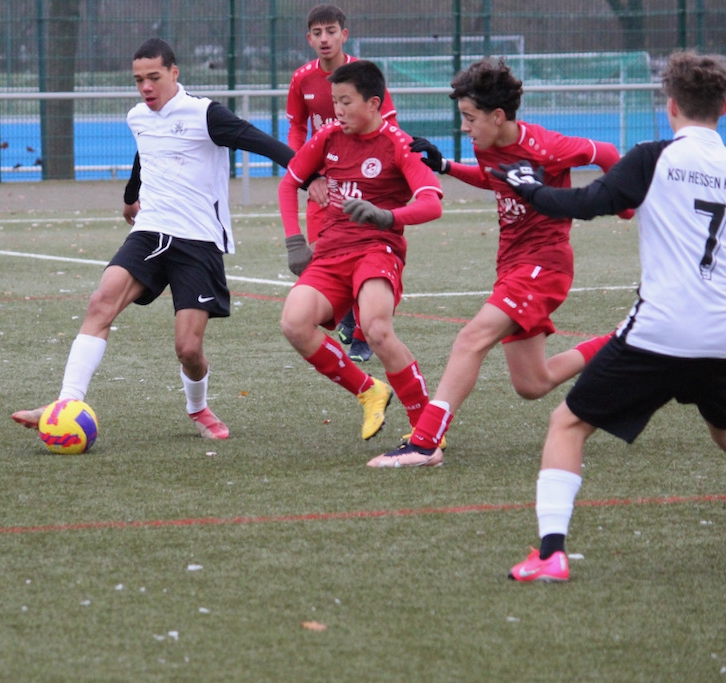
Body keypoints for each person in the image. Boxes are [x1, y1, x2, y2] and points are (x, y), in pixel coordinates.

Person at [491, 50, 726, 581]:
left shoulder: (653, 157)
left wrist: (530, 188)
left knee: (568, 424)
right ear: (723, 107)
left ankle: (550, 554)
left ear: (670, 105)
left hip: (661, 332)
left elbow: (586, 203)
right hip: (720, 334)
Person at [12, 38, 294, 441]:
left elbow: (262, 142)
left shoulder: (205, 114)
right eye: (138, 79)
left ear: (174, 73)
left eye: (154, 77)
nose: (146, 87)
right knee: (101, 302)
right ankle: (65, 403)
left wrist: (311, 175)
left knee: (188, 350)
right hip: (150, 231)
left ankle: (198, 408)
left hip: (198, 240)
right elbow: (145, 153)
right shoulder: (138, 117)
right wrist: (131, 197)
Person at [369, 57, 631, 468]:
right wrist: (446, 167)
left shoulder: (545, 147)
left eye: (470, 118)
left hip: (543, 267)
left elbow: (609, 153)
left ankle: (424, 444)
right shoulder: (486, 144)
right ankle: (625, 341)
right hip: (511, 266)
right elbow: (494, 176)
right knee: (533, 383)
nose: (464, 127)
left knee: (470, 339)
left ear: (497, 116)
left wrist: (626, 206)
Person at [279, 60, 443, 443]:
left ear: (373, 104)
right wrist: (294, 241)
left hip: (377, 249)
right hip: (332, 251)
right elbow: (289, 183)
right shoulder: (328, 137)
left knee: (376, 329)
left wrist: (387, 216)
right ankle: (369, 391)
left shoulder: (398, 144)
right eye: (334, 101)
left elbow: (432, 203)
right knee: (294, 323)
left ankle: (425, 425)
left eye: (345, 102)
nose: (336, 110)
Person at [286, 4, 398, 363]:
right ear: (309, 39)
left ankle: (363, 336)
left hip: (363, 181)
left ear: (344, 35)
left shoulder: (363, 76)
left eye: (331, 31)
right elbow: (296, 128)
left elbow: (389, 127)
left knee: (366, 255)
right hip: (323, 182)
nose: (325, 39)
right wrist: (310, 177)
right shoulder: (302, 78)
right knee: (322, 254)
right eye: (317, 33)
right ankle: (348, 315)